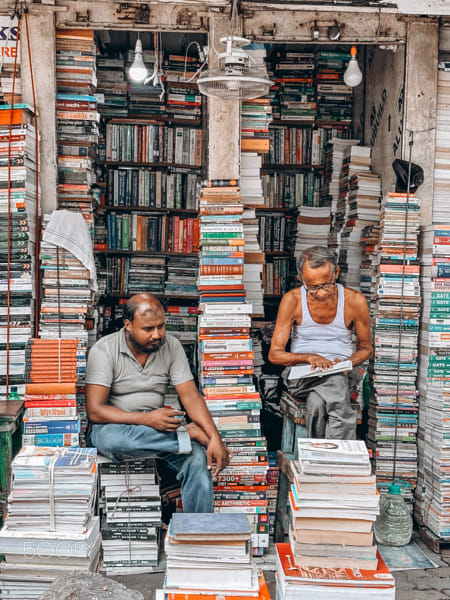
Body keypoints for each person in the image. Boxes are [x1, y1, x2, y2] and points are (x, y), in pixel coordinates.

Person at [85, 292, 230, 513]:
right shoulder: (104, 350)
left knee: (198, 459)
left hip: (159, 429)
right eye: (148, 329)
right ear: (128, 325)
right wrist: (146, 419)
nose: (157, 334)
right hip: (117, 428)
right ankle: (187, 433)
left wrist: (214, 438)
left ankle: (199, 534)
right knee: (111, 438)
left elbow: (190, 395)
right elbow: (95, 411)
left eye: (161, 326)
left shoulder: (171, 346)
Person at [268, 246, 373, 440]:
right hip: (302, 376)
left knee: (317, 402)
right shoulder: (292, 300)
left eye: (327, 284)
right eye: (313, 287)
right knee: (337, 385)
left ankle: (316, 459)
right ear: (301, 280)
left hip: (341, 372)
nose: (322, 293)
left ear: (337, 273)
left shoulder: (354, 301)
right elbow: (275, 354)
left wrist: (345, 364)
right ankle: (340, 458)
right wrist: (310, 358)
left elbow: (366, 348)